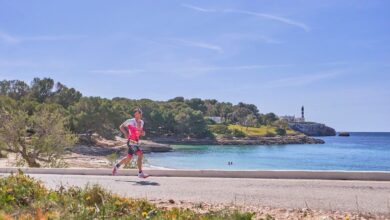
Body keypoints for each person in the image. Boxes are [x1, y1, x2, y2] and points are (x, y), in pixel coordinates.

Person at [112, 108, 149, 178]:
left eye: (140, 113)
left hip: (136, 141)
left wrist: (143, 133)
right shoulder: (130, 121)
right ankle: (140, 173)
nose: (139, 114)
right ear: (135, 114)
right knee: (140, 154)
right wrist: (125, 133)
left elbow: (140, 132)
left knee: (129, 158)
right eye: (138, 113)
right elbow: (121, 126)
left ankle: (116, 166)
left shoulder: (142, 122)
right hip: (131, 141)